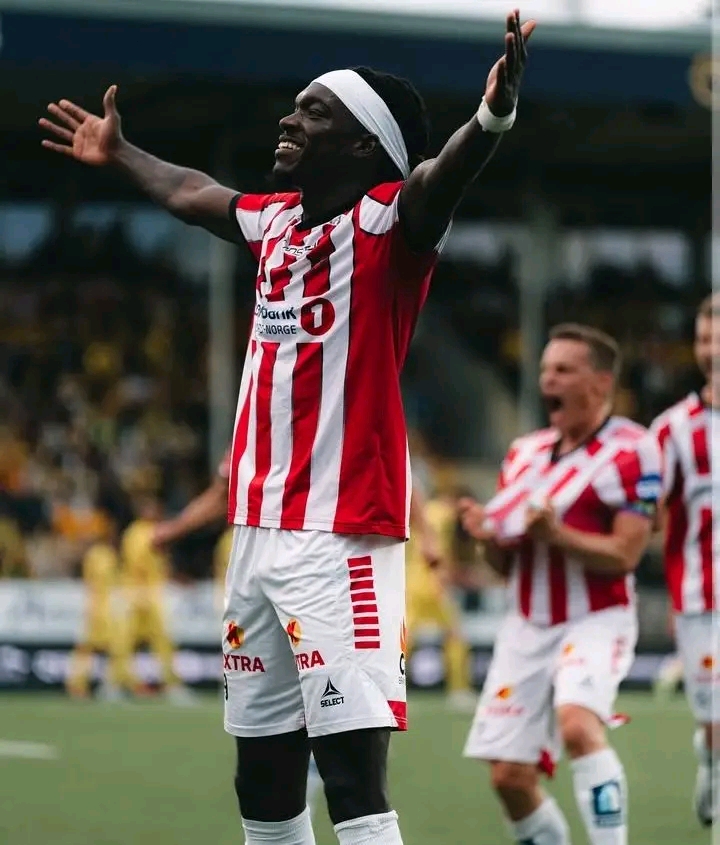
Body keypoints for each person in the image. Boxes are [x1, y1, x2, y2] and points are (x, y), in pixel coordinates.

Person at [40, 12, 535, 844]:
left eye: (313, 111)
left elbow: (442, 176)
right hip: (256, 536)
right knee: (263, 779)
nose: (288, 119)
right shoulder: (274, 223)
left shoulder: (390, 225)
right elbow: (191, 193)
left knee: (352, 778)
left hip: (340, 540)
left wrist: (492, 116)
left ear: (363, 145)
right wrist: (121, 152)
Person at [459, 323, 662, 845]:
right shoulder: (524, 453)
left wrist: (557, 534)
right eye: (546, 368)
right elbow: (505, 567)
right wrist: (485, 539)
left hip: (595, 617)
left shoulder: (634, 450)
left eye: (563, 370)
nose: (547, 379)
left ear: (600, 382)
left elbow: (625, 555)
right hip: (526, 625)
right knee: (509, 778)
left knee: (577, 724)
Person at [649, 293, 718, 826]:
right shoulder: (671, 429)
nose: (710, 349)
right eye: (703, 338)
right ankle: (711, 759)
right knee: (715, 720)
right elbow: (647, 514)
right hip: (700, 596)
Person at [406, 482, 476, 711]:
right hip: (433, 582)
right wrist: (444, 576)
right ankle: (459, 690)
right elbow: (440, 550)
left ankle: (395, 690)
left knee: (405, 638)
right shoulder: (444, 516)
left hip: (412, 581)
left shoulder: (426, 511)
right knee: (455, 636)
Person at [121, 496, 195, 704]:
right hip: (142, 594)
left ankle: (168, 683)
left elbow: (159, 565)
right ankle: (122, 683)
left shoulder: (138, 531)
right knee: (131, 642)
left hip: (144, 593)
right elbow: (142, 564)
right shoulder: (141, 532)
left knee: (149, 642)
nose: (156, 512)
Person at [65, 520, 138, 700]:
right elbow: (99, 582)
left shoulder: (111, 554)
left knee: (117, 648)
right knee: (91, 647)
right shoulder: (99, 554)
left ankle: (111, 684)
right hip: (99, 608)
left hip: (109, 609)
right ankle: (78, 685)